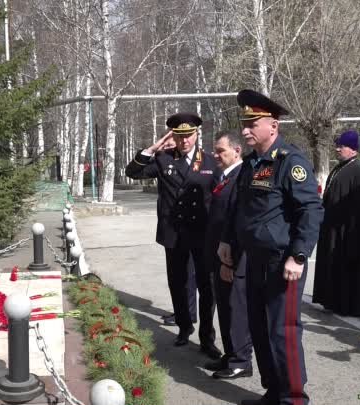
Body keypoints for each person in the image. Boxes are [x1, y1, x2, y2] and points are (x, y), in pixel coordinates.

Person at [219, 89, 323, 405]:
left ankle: (293, 398)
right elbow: (241, 209)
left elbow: (311, 209)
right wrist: (229, 241)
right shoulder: (250, 164)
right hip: (254, 258)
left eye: (252, 124)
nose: (246, 130)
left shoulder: (291, 162)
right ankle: (274, 390)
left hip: (282, 262)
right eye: (244, 124)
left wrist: (299, 254)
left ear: (273, 126)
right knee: (259, 328)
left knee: (283, 330)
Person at [125, 112, 222, 359]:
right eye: (179, 136)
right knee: (178, 284)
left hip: (202, 235)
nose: (184, 141)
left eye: (188, 135)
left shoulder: (211, 162)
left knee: (206, 287)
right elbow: (132, 172)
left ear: (197, 134)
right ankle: (184, 326)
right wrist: (153, 147)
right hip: (174, 235)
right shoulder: (163, 159)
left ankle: (207, 338)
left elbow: (220, 199)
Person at [313, 130, 360, 316]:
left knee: (352, 271)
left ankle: (353, 306)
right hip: (334, 229)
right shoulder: (339, 168)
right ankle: (334, 302)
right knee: (334, 267)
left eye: (341, 146)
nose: (337, 149)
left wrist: (350, 227)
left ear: (352, 149)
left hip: (351, 231)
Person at [205, 131, 253, 379]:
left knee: (236, 307)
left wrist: (229, 260)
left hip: (232, 255)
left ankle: (241, 360)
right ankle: (230, 354)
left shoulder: (242, 176)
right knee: (224, 306)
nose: (216, 155)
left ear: (237, 150)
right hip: (218, 252)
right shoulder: (224, 176)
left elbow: (237, 220)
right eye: (215, 150)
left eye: (221, 150)